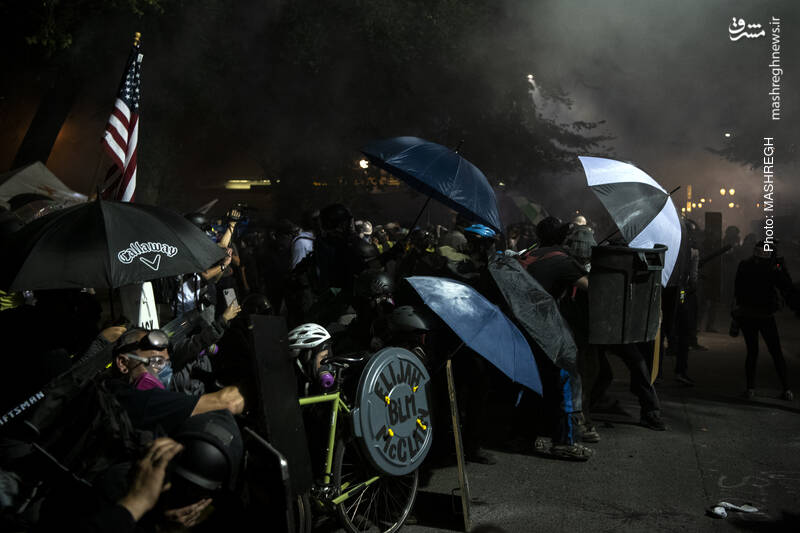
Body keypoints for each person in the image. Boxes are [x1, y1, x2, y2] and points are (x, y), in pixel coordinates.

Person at [108, 328, 244, 434]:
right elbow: (229, 401)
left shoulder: (110, 392)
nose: (164, 371)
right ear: (123, 363)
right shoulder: (145, 400)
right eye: (156, 362)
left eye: (167, 363)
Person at [733, 241, 794, 400]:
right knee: (776, 353)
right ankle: (786, 389)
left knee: (752, 352)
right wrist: (781, 267)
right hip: (765, 316)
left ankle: (750, 389)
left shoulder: (744, 265)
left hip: (747, 315)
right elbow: (786, 286)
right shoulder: (772, 268)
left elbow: (737, 290)